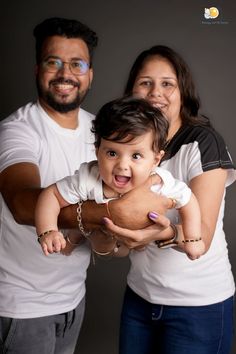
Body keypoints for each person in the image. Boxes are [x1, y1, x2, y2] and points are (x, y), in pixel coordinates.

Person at [0, 17, 175, 354]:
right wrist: (110, 212)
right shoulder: (17, 130)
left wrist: (127, 226)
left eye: (76, 64)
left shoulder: (105, 132)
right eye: (54, 62)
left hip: (73, 297)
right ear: (38, 69)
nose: (66, 73)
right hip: (23, 305)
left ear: (90, 74)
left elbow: (129, 203)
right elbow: (23, 206)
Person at [102, 46, 236, 354]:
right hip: (140, 298)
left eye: (167, 84)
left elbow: (200, 231)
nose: (155, 93)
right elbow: (115, 216)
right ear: (131, 92)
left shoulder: (203, 143)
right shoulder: (123, 146)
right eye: (145, 83)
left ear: (182, 92)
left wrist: (152, 233)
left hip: (197, 306)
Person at [35, 97, 203, 260]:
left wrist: (193, 238)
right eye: (112, 153)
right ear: (97, 152)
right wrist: (48, 230)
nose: (122, 165)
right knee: (83, 230)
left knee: (138, 245)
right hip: (99, 231)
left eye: (136, 156)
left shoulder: (160, 181)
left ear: (155, 160)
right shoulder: (89, 178)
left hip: (138, 237)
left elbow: (188, 200)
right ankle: (74, 237)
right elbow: (51, 195)